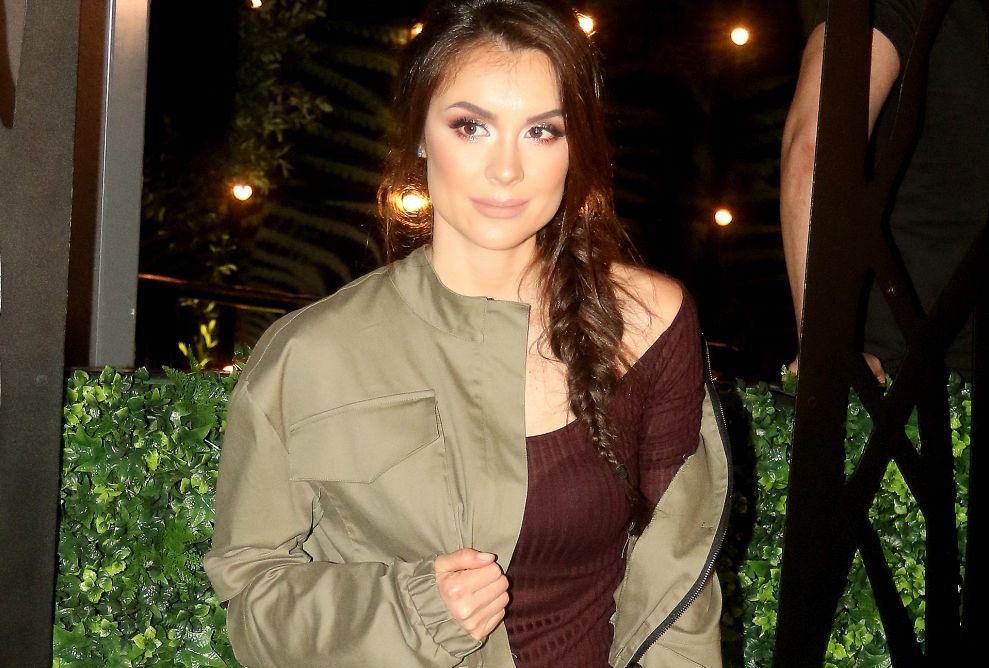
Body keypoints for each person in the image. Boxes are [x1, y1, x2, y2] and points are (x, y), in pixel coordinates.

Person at [204, 1, 730, 666]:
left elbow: (678, 591)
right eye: (471, 127)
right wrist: (411, 611)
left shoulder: (646, 324)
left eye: (542, 132)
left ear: (577, 146)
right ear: (421, 134)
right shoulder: (313, 353)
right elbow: (253, 602)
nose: (506, 169)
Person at [781, 0, 989, 383]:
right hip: (898, 380)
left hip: (909, 381)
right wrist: (828, 353)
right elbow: (818, 149)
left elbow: (814, 149)